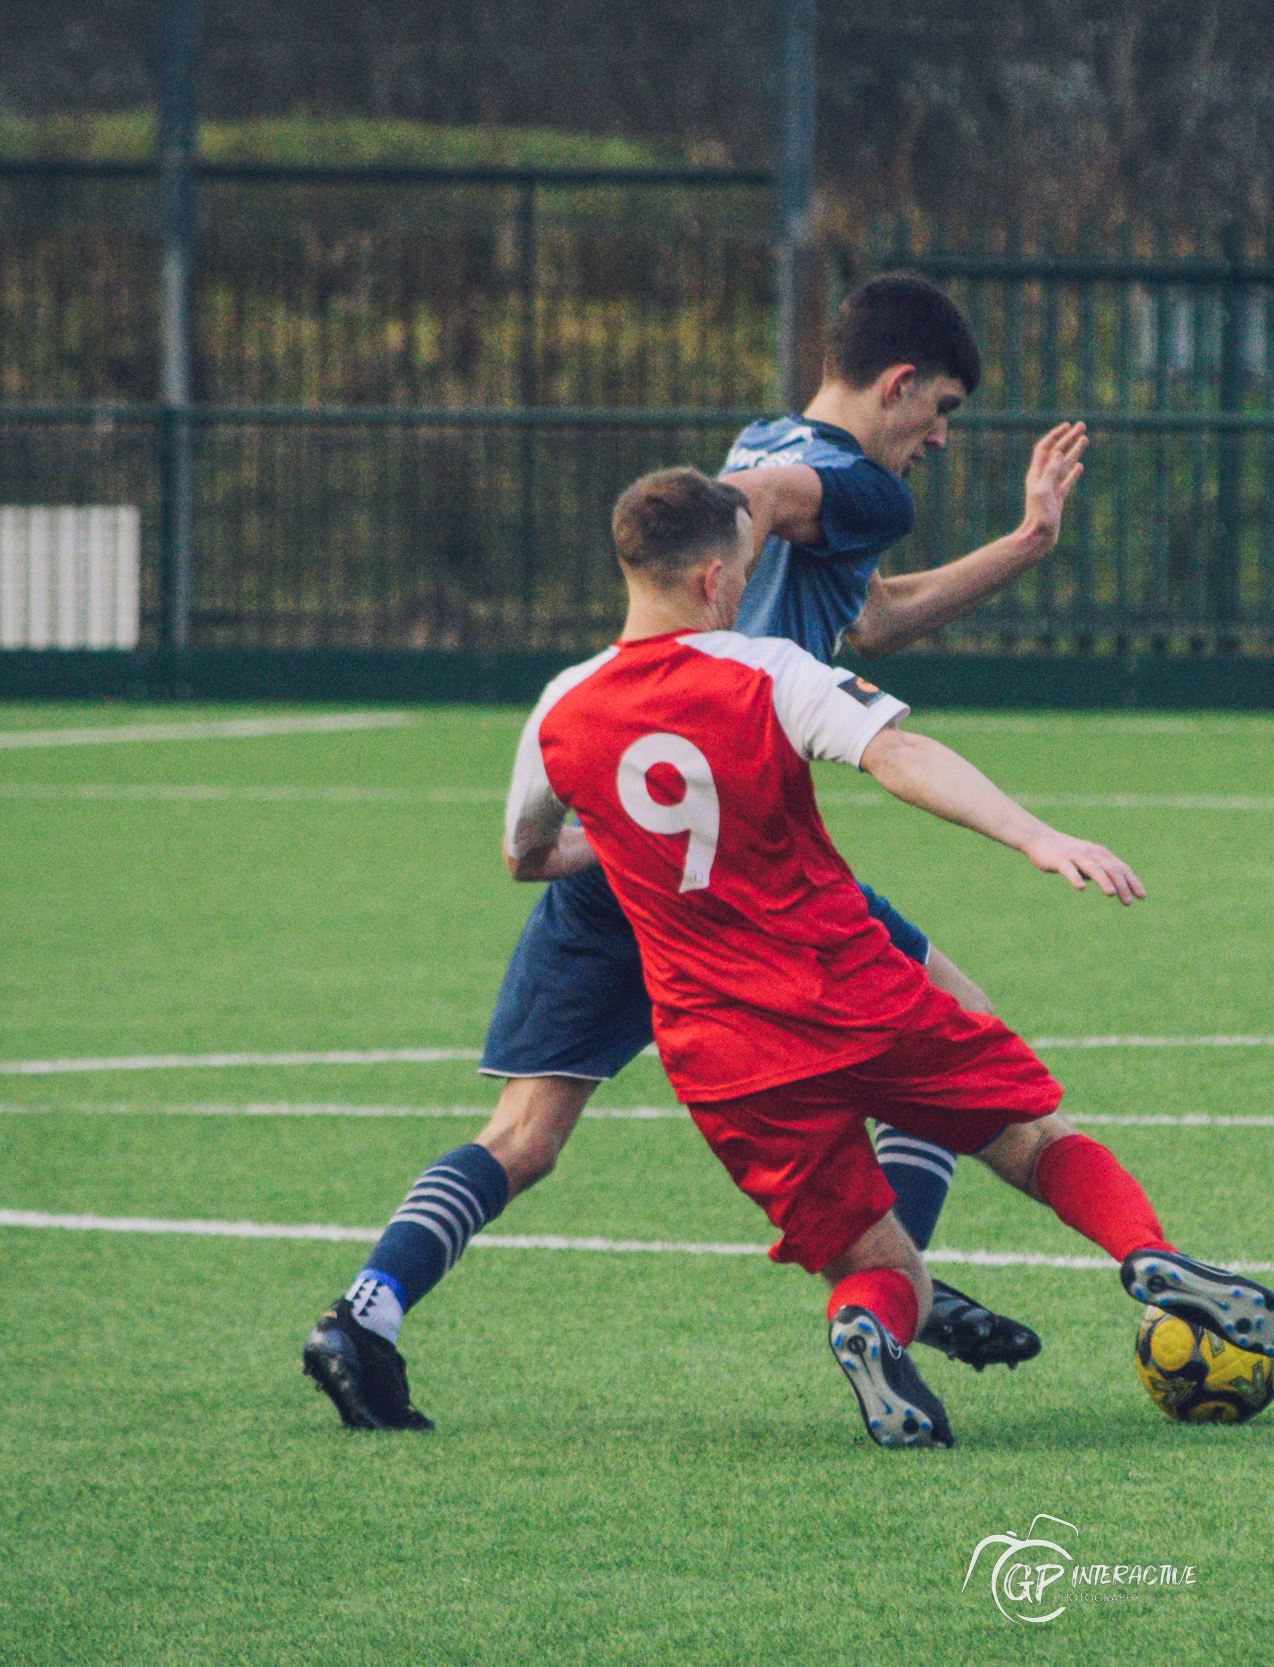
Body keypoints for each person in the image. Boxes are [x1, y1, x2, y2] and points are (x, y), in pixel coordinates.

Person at [350, 466, 1274, 1448]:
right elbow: (900, 754)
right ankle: (1145, 1252)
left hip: (720, 1056)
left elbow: (526, 855)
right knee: (1030, 1137)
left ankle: (866, 1325)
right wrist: (1032, 834)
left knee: (881, 1264)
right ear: (718, 577)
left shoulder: (562, 706)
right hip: (844, 987)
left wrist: (631, 848)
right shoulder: (766, 670)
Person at [302, 277, 1086, 1430]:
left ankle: (366, 1308)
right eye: (943, 408)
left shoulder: (762, 438)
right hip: (744, 867)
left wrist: (1024, 543)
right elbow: (762, 508)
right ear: (898, 383)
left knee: (525, 1133)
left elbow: (862, 617)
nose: (941, 439)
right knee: (942, 1058)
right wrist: (722, 640)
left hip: (630, 833)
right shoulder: (849, 480)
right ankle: (891, 1298)